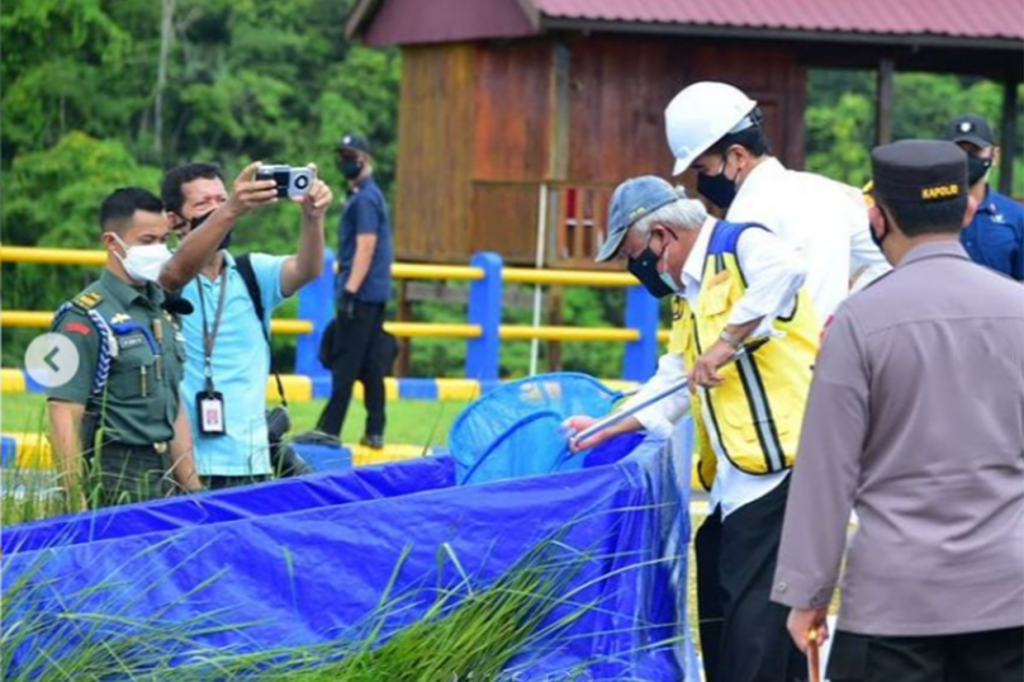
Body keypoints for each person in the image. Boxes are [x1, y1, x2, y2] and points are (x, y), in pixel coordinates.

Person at [773, 140, 1024, 681]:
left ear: (877, 218)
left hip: (895, 603)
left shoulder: (857, 323)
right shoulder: (1018, 311)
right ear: (968, 210)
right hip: (1010, 594)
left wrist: (807, 594)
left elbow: (826, 475)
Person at [567, 176, 817, 682]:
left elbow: (788, 270)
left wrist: (725, 343)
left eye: (639, 255)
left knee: (753, 634)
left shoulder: (740, 244)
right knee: (727, 612)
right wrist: (606, 427)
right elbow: (675, 380)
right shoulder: (687, 295)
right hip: (735, 474)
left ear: (663, 236)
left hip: (784, 465)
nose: (643, 269)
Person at [162, 161, 333, 489]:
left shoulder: (253, 272)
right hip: (183, 463)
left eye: (221, 199)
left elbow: (308, 269)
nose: (217, 209)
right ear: (173, 220)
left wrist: (313, 218)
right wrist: (231, 209)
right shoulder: (162, 274)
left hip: (250, 459)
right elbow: (175, 271)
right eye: (203, 204)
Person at [665, 81, 889, 321]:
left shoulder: (743, 222)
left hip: (774, 357)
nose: (703, 181)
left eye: (702, 168)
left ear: (738, 155)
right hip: (833, 352)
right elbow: (892, 260)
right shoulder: (828, 191)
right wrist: (843, 312)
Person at [48, 188, 203, 508]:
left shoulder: (163, 309)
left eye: (163, 240)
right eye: (147, 241)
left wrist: (193, 489)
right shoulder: (82, 318)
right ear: (111, 242)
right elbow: (64, 415)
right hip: (114, 480)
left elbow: (172, 405)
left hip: (165, 479)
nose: (159, 250)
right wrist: (76, 506)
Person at [295, 133, 394, 449]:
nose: (346, 162)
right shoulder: (368, 195)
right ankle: (375, 429)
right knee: (370, 365)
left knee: (344, 362)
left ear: (366, 159)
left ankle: (329, 429)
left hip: (361, 295)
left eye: (352, 155)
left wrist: (349, 291)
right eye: (342, 155)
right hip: (374, 294)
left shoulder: (364, 199)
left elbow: (366, 247)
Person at [946, 113, 1024, 279]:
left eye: (975, 150)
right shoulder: (927, 211)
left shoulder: (1016, 216)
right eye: (957, 150)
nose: (966, 158)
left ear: (994, 155)